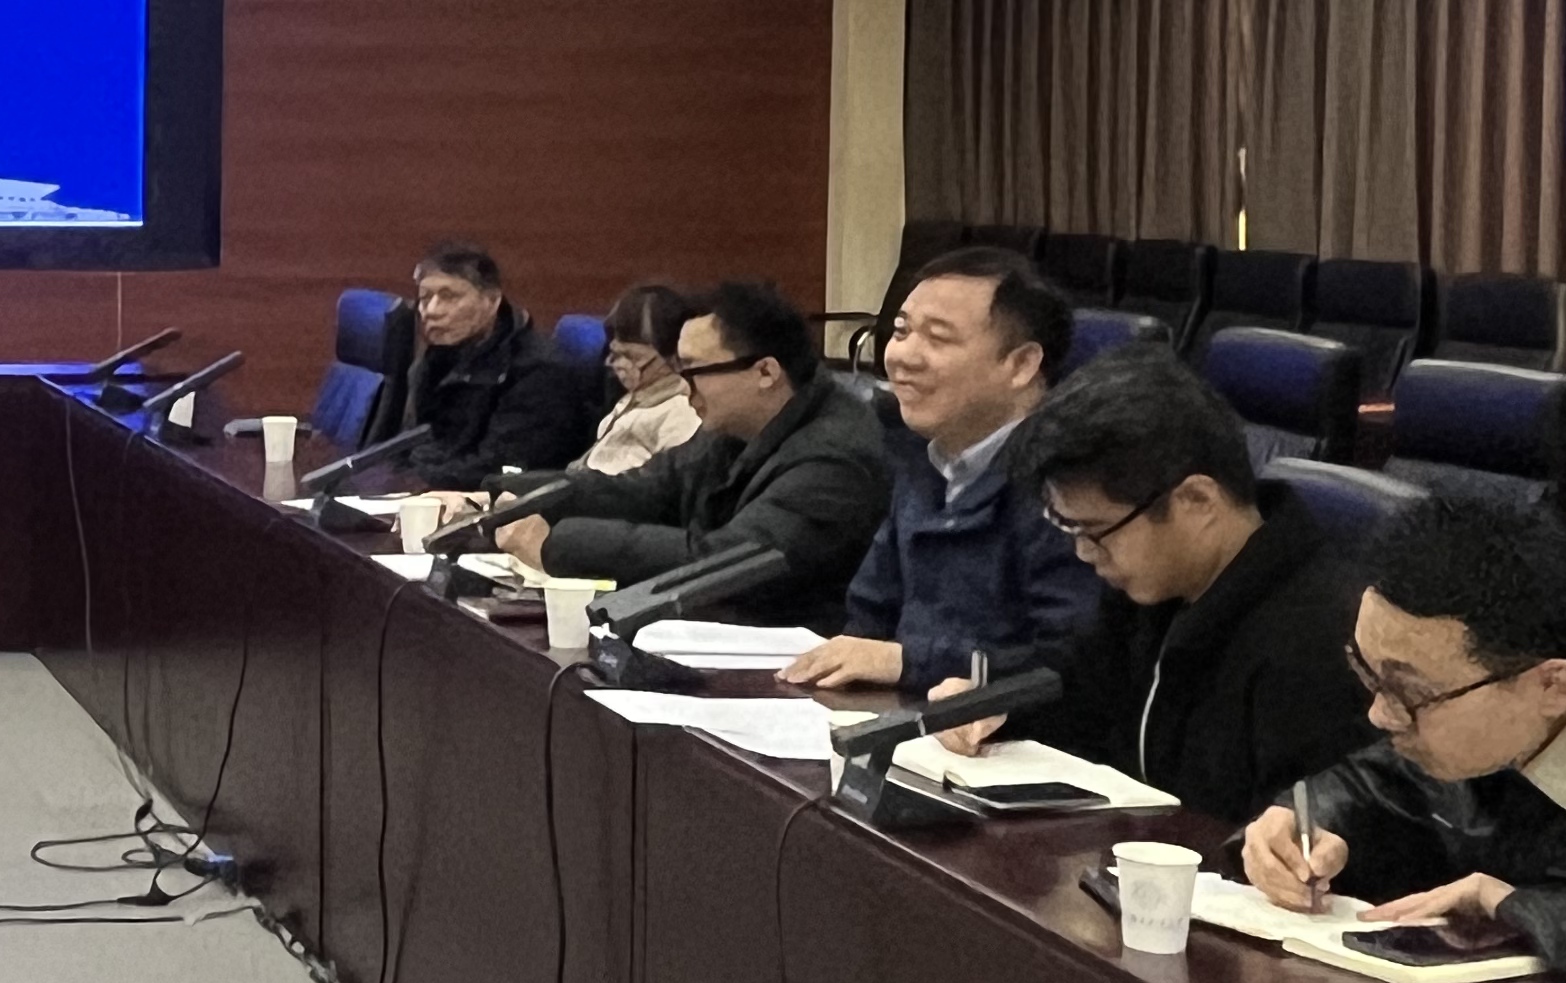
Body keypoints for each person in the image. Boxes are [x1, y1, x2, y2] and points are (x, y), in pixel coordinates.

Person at [926, 348, 1364, 818]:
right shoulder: (1152, 590)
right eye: (1071, 529)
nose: (1084, 553)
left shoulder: (1321, 641)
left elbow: (1301, 829)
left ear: (1196, 500)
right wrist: (997, 700)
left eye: (1096, 532)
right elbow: (1081, 687)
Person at [1246, 493, 1566, 983]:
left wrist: (1514, 904)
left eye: (1410, 692)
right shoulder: (1492, 704)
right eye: (1368, 674)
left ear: (1554, 686)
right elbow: (1386, 782)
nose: (1378, 714)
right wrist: (1302, 821)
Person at [784, 247, 1094, 692]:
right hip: (903, 717)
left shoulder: (1071, 481)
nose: (902, 356)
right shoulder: (924, 457)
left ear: (1021, 364)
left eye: (938, 338)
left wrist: (909, 663)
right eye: (901, 331)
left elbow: (1071, 661)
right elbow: (869, 615)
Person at [513, 281, 888, 625]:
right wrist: (514, 496)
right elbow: (646, 488)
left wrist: (561, 544)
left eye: (694, 370)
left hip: (794, 649)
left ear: (765, 372)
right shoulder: (739, 426)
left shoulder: (834, 459)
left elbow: (725, 563)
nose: (682, 388)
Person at [388, 241, 600, 493]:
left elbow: (500, 467)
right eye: (425, 298)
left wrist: (415, 482)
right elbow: (415, 443)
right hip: (436, 489)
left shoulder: (539, 371)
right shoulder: (436, 358)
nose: (431, 311)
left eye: (449, 296)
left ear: (492, 300)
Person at [574, 281, 705, 479]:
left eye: (633, 357)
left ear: (675, 356)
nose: (619, 365)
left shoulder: (683, 412)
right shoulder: (633, 395)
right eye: (615, 354)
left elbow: (668, 484)